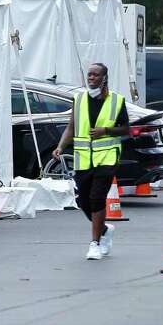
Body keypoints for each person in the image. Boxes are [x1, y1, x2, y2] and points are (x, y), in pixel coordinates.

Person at [53, 63, 129, 260]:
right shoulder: (79, 100)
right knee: (83, 201)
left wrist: (106, 131)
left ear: (104, 78)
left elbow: (126, 129)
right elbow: (71, 128)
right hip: (84, 159)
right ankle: (104, 230)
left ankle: (94, 243)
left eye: (95, 75)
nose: (91, 78)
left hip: (107, 157)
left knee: (97, 198)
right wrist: (61, 146)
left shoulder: (117, 101)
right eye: (89, 75)